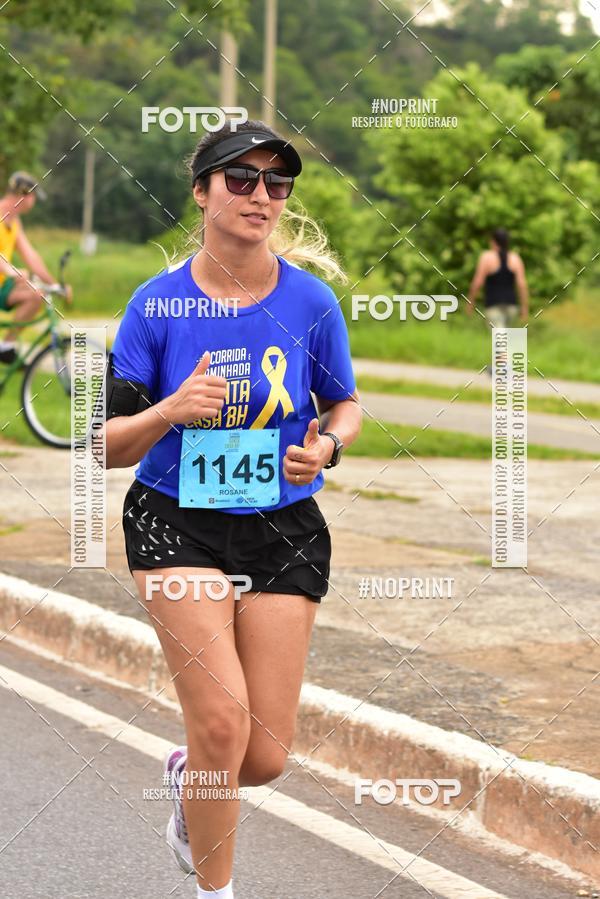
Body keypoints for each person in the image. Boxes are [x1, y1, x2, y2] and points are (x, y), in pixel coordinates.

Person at [104, 119, 362, 899]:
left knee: (262, 756)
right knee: (221, 724)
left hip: (283, 525)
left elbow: (343, 403)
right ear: (202, 191)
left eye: (276, 183)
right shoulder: (156, 305)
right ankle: (215, 891)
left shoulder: (311, 302)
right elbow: (106, 444)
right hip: (174, 518)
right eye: (240, 179)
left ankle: (191, 781)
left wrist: (328, 446)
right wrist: (169, 411)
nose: (260, 195)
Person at [0, 172, 67, 364]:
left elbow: (31, 257)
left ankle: (6, 346)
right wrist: (12, 271)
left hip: (2, 285)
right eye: (33, 196)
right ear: (24, 194)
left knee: (38, 294)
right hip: (4, 279)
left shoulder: (14, 222)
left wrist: (55, 284)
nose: (34, 201)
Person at [467, 227, 529, 328]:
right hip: (511, 307)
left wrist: (470, 303)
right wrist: (524, 308)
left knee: (498, 341)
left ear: (493, 241)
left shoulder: (487, 257)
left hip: (493, 306)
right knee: (508, 338)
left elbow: (477, 283)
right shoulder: (515, 258)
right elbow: (522, 285)